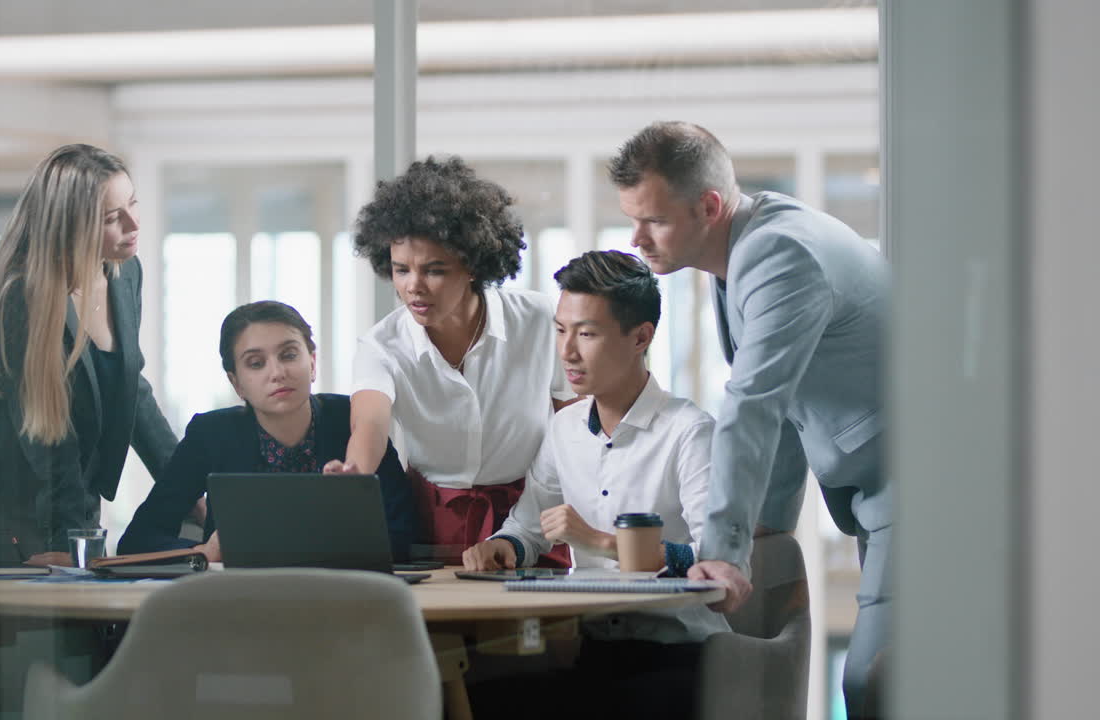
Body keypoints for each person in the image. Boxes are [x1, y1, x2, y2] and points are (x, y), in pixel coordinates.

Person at [609, 121, 889, 718]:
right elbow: (783, 406)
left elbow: (754, 403)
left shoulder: (779, 253)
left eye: (654, 220)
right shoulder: (741, 252)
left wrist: (725, 550)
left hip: (926, 488)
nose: (637, 239)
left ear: (709, 207)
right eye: (632, 219)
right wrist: (765, 523)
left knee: (876, 683)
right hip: (880, 490)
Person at [464, 250, 728, 718]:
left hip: (681, 656)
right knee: (476, 699)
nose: (567, 352)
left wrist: (603, 543)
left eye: (586, 334)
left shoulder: (689, 431)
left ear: (640, 337)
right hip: (592, 650)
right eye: (561, 330)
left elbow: (714, 556)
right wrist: (503, 545)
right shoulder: (564, 429)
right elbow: (529, 526)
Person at [328, 156, 575, 564]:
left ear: (473, 265)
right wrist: (356, 472)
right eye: (401, 270)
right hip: (433, 520)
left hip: (535, 512)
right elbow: (369, 422)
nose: (413, 286)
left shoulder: (538, 318)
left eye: (434, 270)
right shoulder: (380, 346)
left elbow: (573, 419)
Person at [0, 144, 179, 568]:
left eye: (133, 203)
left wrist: (185, 487)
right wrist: (69, 537)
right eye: (111, 218)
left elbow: (131, 389)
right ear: (71, 227)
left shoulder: (125, 272)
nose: (133, 223)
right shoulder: (21, 294)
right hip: (3, 509)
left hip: (70, 497)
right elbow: (48, 434)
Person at [119, 301, 417, 562]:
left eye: (289, 355)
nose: (277, 373)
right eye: (256, 363)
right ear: (237, 383)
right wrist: (202, 551)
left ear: (312, 363)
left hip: (342, 592)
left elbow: (404, 535)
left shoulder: (353, 419)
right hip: (238, 596)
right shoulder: (210, 435)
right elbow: (137, 540)